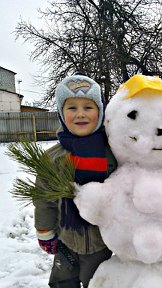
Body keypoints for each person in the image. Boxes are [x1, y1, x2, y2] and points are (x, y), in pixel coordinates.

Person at [34, 72, 117, 288]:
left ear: (100, 113)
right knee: (62, 283)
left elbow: (131, 184)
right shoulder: (52, 157)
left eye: (88, 107)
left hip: (104, 244)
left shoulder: (113, 153)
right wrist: (45, 231)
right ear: (62, 114)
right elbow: (44, 198)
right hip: (66, 240)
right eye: (72, 108)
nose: (80, 114)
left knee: (99, 284)